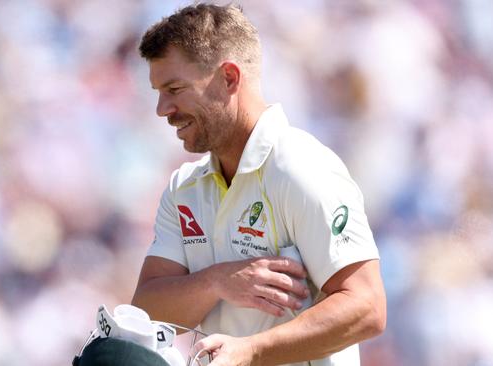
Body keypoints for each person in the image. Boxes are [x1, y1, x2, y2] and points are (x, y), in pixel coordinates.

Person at [131, 3, 386, 366]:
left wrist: (253, 350)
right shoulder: (184, 187)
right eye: (158, 91)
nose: (162, 109)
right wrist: (216, 281)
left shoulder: (301, 168)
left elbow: (366, 306)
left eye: (174, 88)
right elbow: (147, 312)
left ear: (229, 78)